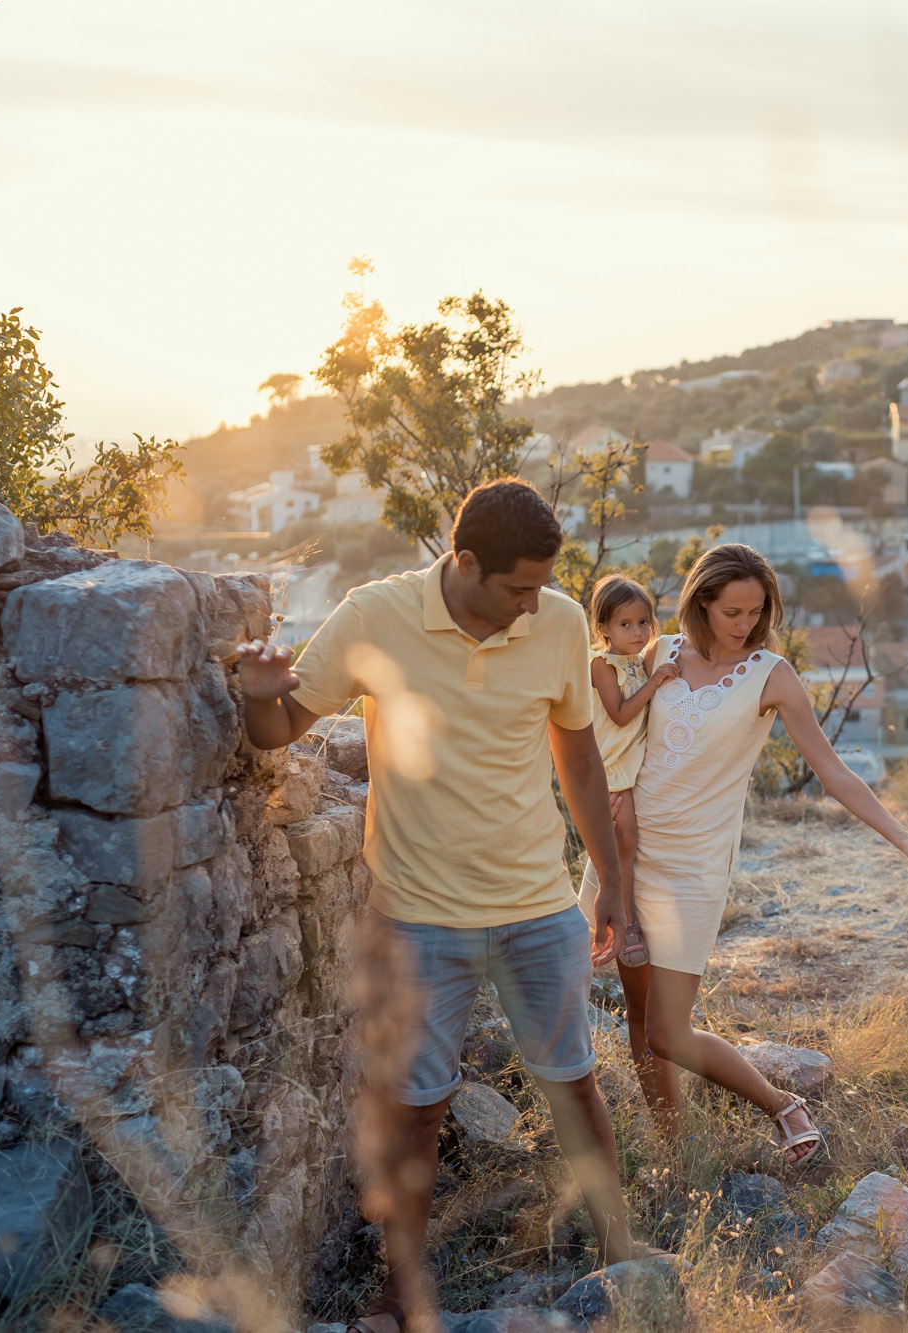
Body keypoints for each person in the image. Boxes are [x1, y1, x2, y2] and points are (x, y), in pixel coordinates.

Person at [235, 479, 638, 1333]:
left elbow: (579, 760)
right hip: (417, 916)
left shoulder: (559, 621)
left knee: (573, 1085)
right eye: (519, 587)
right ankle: (402, 1292)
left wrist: (609, 877)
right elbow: (277, 730)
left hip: (538, 906)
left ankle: (621, 1250)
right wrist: (259, 693)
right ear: (465, 562)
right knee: (415, 1109)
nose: (535, 603)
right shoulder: (374, 615)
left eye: (542, 586)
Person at [582, 543, 908, 1164]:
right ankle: (674, 1154)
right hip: (626, 853)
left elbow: (833, 772)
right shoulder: (658, 650)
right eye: (732, 611)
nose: (746, 624)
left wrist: (904, 837)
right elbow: (610, 724)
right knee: (640, 1020)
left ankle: (782, 1103)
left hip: (694, 868)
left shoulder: (771, 675)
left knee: (669, 1032)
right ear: (701, 603)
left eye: (756, 611)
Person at [586, 575, 680, 969]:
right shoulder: (602, 665)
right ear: (604, 628)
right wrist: (656, 681)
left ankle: (621, 915)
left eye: (644, 622)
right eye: (625, 624)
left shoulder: (637, 661)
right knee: (625, 841)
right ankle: (624, 922)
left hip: (631, 766)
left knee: (627, 842)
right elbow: (621, 715)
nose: (638, 632)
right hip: (610, 765)